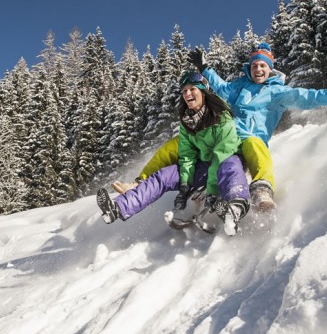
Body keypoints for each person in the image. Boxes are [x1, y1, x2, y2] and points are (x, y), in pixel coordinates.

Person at [113, 43, 327, 212]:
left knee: (255, 144)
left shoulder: (278, 93)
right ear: (249, 69)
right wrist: (205, 68)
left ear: (270, 69)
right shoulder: (239, 87)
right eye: (254, 65)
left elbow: (309, 97)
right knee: (176, 145)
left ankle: (261, 189)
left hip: (247, 144)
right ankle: (138, 184)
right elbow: (220, 88)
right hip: (222, 138)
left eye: (263, 65)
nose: (258, 69)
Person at [97, 71, 251, 236]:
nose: (187, 94)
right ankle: (118, 208)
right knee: (164, 175)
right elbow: (187, 156)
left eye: (192, 89)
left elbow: (222, 154)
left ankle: (235, 207)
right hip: (205, 166)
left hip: (228, 161)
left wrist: (212, 191)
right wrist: (185, 185)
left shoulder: (221, 116)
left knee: (230, 165)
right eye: (184, 91)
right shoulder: (187, 121)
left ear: (203, 92)